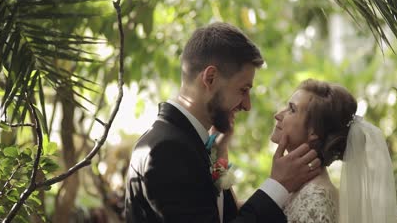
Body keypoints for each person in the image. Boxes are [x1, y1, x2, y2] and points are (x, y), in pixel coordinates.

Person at [125, 22, 321, 223]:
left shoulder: (189, 142)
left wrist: (219, 157)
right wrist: (278, 184)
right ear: (210, 78)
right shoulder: (166, 150)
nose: (247, 105)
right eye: (243, 90)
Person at [271, 78, 397, 223]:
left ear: (314, 131)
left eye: (291, 109)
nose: (278, 115)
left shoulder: (315, 197)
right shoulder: (294, 187)